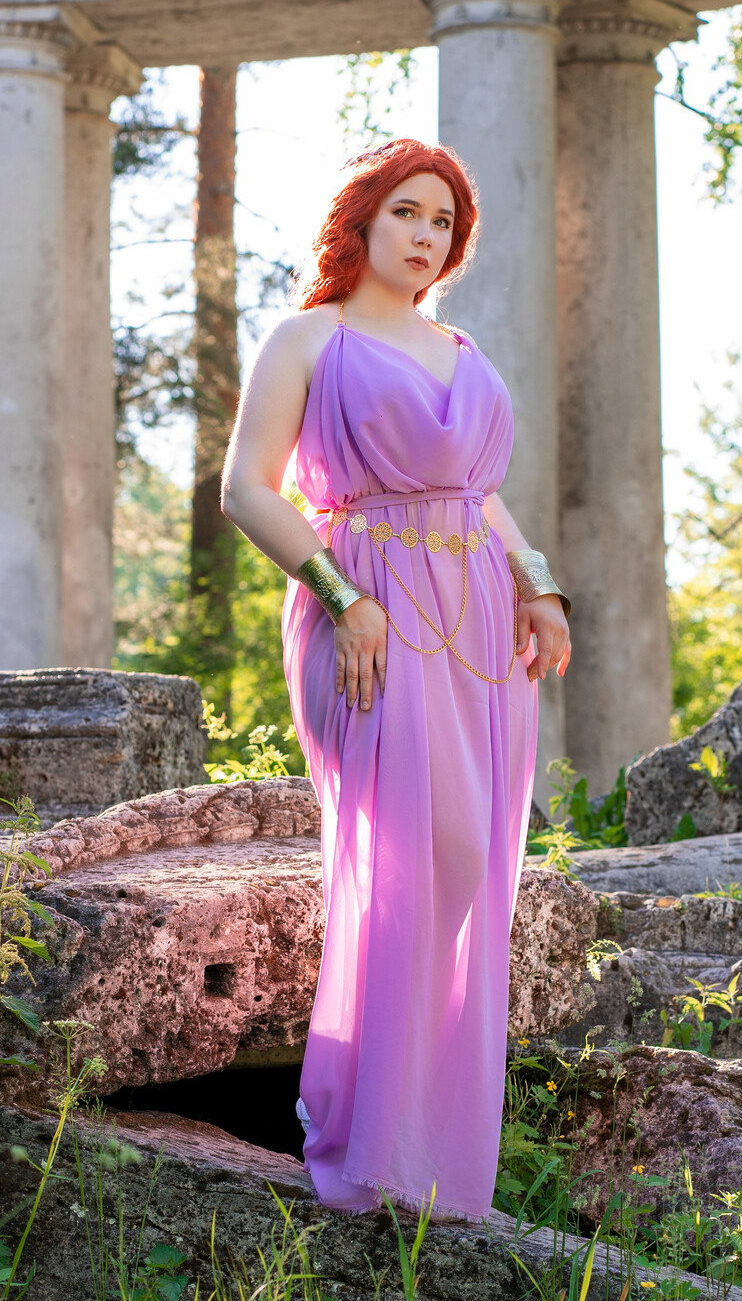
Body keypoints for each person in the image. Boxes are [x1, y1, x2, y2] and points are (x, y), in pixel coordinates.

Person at [221, 138, 571, 1220]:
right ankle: (363, 1133)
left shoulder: (458, 346)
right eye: (408, 213)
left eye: (443, 223)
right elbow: (247, 490)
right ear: (363, 219)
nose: (426, 237)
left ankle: (422, 1132)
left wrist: (537, 583)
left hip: (476, 626)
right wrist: (342, 597)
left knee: (470, 862)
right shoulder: (307, 337)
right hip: (366, 615)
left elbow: (474, 492)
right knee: (421, 853)